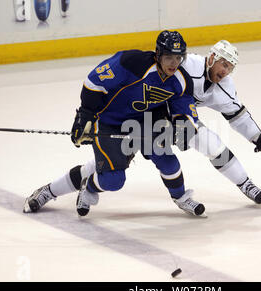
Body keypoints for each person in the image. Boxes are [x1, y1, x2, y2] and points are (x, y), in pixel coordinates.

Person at [23, 30, 206, 217]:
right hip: (109, 121)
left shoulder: (181, 80)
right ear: (157, 54)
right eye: (168, 57)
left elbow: (184, 109)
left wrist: (184, 127)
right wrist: (85, 115)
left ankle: (181, 197)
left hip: (145, 121)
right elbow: (94, 82)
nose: (174, 63)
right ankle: (78, 187)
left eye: (178, 58)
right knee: (112, 180)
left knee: (167, 161)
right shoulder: (131, 63)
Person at [176, 40, 261, 206]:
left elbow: (239, 117)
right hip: (153, 110)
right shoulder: (188, 64)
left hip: (182, 117)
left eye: (230, 68)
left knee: (213, 145)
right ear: (212, 57)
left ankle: (245, 183)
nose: (225, 72)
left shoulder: (224, 86)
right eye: (224, 64)